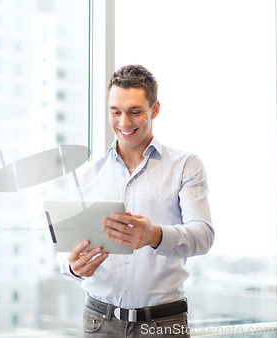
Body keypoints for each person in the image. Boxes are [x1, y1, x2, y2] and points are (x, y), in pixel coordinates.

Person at [58, 64, 214, 337]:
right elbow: (68, 248)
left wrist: (154, 235)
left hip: (163, 323)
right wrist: (72, 266)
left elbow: (203, 235)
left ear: (154, 110)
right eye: (115, 112)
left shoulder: (186, 165)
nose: (124, 123)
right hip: (99, 321)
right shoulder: (86, 175)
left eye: (135, 112)